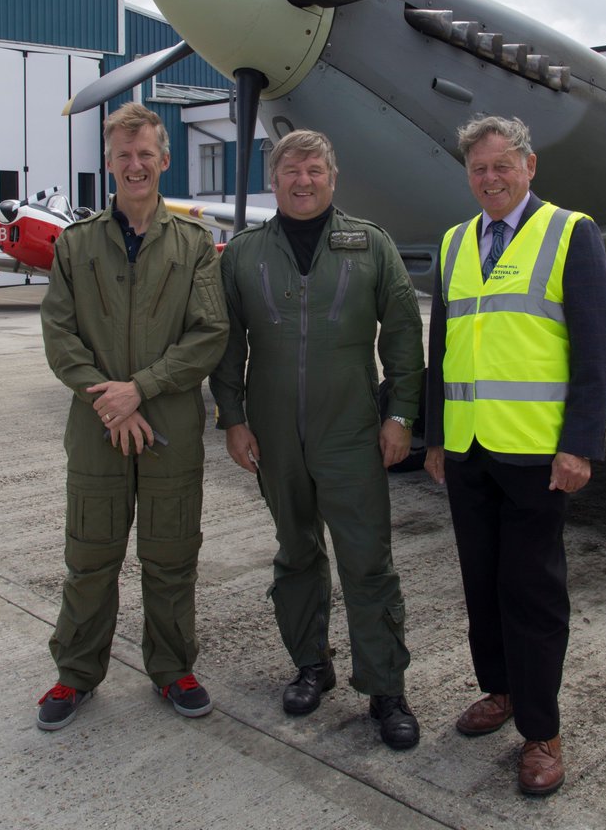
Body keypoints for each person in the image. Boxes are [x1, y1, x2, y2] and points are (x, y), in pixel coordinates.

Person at [210, 129, 425, 749]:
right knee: (295, 552)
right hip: (274, 434)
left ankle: (385, 688)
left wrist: (400, 414)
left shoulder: (371, 245)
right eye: (290, 171)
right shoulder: (243, 254)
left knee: (367, 561)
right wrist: (232, 417)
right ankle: (312, 664)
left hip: (351, 432)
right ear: (272, 180)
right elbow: (229, 344)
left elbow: (404, 337)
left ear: (334, 178)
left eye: (314, 170)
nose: (302, 181)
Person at [425, 115, 606, 796]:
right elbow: (441, 349)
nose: (491, 179)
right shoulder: (453, 242)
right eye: (478, 168)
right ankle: (500, 691)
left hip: (538, 454)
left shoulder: (570, 233)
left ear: (529, 166)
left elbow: (592, 349)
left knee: (532, 594)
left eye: (503, 165)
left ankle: (542, 732)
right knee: (482, 584)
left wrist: (581, 444)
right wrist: (438, 436)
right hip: (470, 451)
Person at [36, 102, 229, 730]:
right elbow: (60, 336)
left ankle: (173, 669)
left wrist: (138, 390)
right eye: (123, 154)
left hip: (167, 430)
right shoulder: (76, 244)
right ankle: (75, 674)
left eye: (145, 153)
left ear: (164, 159)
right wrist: (108, 399)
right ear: (108, 161)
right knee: (89, 556)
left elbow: (208, 335)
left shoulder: (196, 245)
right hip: (97, 431)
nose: (135, 164)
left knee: (172, 556)